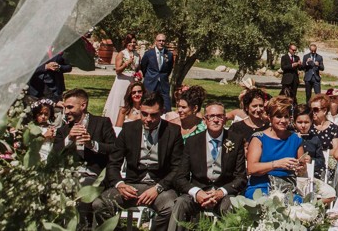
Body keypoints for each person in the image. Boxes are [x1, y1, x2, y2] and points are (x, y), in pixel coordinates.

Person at [92, 91, 184, 231]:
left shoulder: (173, 131)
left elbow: (178, 167)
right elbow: (113, 162)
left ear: (162, 112)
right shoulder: (129, 129)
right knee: (99, 204)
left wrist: (158, 188)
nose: (148, 119)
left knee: (171, 208)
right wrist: (119, 184)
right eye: (144, 114)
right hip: (131, 184)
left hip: (159, 186)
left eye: (153, 115)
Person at [170, 102, 246, 230]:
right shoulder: (192, 142)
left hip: (223, 195)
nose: (216, 120)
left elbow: (241, 178)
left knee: (232, 205)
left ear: (225, 119)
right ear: (205, 120)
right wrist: (197, 192)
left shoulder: (236, 140)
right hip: (197, 193)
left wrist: (221, 192)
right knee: (180, 203)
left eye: (220, 116)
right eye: (211, 116)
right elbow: (180, 178)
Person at [245, 95, 307, 199]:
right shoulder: (259, 138)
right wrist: (276, 164)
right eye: (278, 116)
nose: (283, 120)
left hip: (287, 188)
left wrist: (301, 168)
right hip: (262, 187)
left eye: (286, 116)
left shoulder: (296, 139)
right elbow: (251, 168)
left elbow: (302, 169)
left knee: (298, 204)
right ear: (269, 117)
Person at [54, 88, 118, 185]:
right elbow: (54, 154)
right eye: (65, 108)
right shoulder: (63, 130)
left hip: (94, 175)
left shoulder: (102, 123)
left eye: (70, 107)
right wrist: (69, 139)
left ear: (83, 105)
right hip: (67, 175)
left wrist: (92, 144)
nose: (66, 111)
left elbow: (114, 148)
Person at [103, 33, 140, 126]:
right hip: (122, 81)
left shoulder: (137, 55)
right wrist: (126, 63)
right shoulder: (121, 54)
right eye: (130, 42)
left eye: (134, 42)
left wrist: (139, 74)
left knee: (130, 100)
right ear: (126, 43)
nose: (132, 44)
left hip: (132, 81)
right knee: (120, 101)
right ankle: (116, 122)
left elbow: (138, 69)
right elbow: (118, 70)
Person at [139, 33, 176, 111]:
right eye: (159, 40)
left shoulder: (169, 55)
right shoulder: (148, 54)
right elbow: (143, 67)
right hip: (150, 83)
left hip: (163, 83)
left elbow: (169, 69)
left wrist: (163, 76)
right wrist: (150, 76)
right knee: (148, 104)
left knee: (166, 107)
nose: (161, 42)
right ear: (155, 41)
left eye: (163, 41)